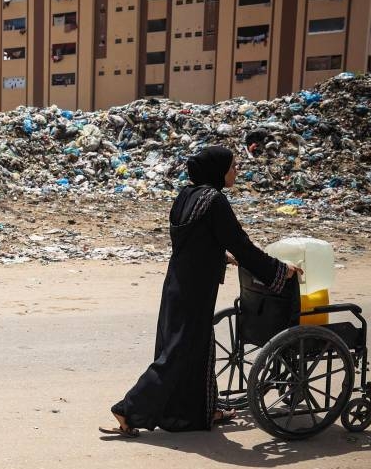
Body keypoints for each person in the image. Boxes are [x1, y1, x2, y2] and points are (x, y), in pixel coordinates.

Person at [101, 146, 301, 437]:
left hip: (178, 283)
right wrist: (280, 270)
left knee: (193, 350)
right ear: (217, 170)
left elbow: (196, 241)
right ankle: (127, 409)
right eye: (233, 167)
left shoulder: (187, 196)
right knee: (179, 354)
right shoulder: (214, 201)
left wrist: (221, 256)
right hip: (194, 288)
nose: (237, 172)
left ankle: (196, 413)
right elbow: (241, 245)